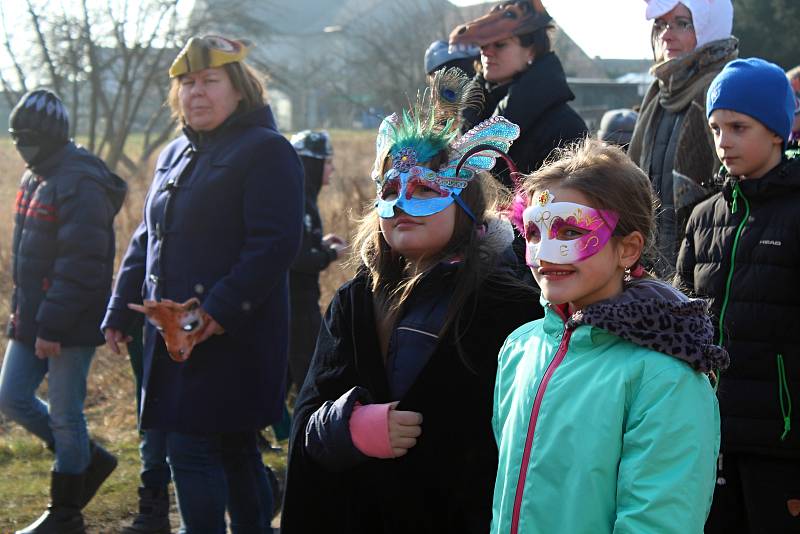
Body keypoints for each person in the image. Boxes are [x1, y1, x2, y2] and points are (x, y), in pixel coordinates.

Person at [281, 69, 542, 533]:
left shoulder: (508, 304)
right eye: (390, 191)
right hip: (367, 512)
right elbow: (310, 411)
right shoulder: (356, 301)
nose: (402, 203)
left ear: (465, 203)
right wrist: (346, 426)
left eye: (425, 189)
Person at [101, 35, 304, 533]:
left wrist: (215, 311)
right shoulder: (172, 153)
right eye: (187, 83)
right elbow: (148, 238)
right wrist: (120, 309)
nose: (197, 92)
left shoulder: (267, 150)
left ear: (239, 89)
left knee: (191, 449)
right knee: (233, 449)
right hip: (175, 337)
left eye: (210, 81)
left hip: (234, 334)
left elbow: (275, 243)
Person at [492, 139, 726, 534]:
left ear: (628, 249)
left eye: (570, 230)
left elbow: (660, 521)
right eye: (534, 231)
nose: (546, 251)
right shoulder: (520, 349)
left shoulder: (664, 378)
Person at [675, 58, 800, 533]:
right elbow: (682, 322)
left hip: (781, 443)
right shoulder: (703, 216)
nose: (723, 141)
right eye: (715, 128)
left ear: (776, 130)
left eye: (738, 126)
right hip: (709, 436)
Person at [0, 89, 126, 533]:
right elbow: (30, 259)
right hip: (32, 318)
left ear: (53, 136)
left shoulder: (80, 181)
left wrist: (50, 326)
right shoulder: (36, 174)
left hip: (68, 323)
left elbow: (82, 266)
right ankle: (88, 461)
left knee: (64, 415)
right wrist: (24, 318)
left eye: (30, 136)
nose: (21, 144)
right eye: (16, 136)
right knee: (10, 396)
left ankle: (66, 512)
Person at [627, 0, 738, 276]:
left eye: (682, 23)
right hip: (650, 262)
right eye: (662, 24)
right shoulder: (659, 92)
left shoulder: (725, 90)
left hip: (707, 263)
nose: (666, 34)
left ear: (709, 27)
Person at [449, 0, 587, 187]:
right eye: (483, 45)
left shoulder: (565, 125)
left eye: (500, 44)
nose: (487, 53)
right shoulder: (472, 109)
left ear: (532, 50)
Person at [287, 130, 347, 392]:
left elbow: (295, 243)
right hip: (296, 303)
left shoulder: (302, 195)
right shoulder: (295, 200)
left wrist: (319, 244)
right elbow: (295, 258)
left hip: (300, 299)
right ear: (312, 163)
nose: (331, 170)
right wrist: (331, 254)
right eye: (327, 162)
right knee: (307, 365)